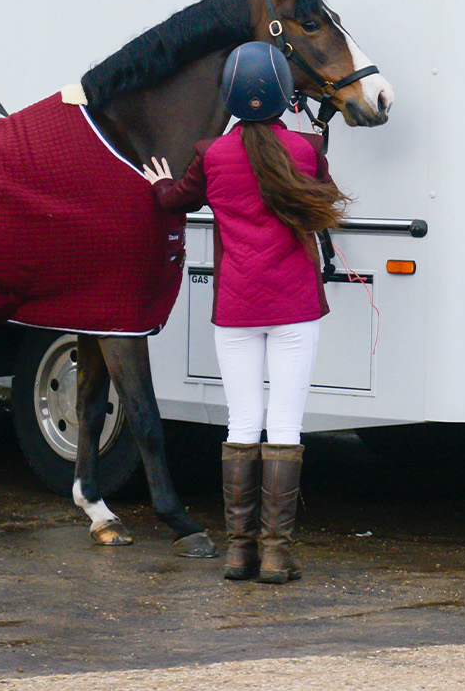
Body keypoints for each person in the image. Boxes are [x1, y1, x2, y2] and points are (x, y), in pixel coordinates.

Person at [144, 41, 348, 583]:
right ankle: (276, 553)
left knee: (242, 420)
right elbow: (324, 201)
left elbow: (175, 200)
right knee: (285, 424)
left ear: (230, 96)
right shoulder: (306, 149)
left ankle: (239, 551)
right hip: (295, 306)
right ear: (284, 93)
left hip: (236, 306)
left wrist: (159, 183)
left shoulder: (211, 154)